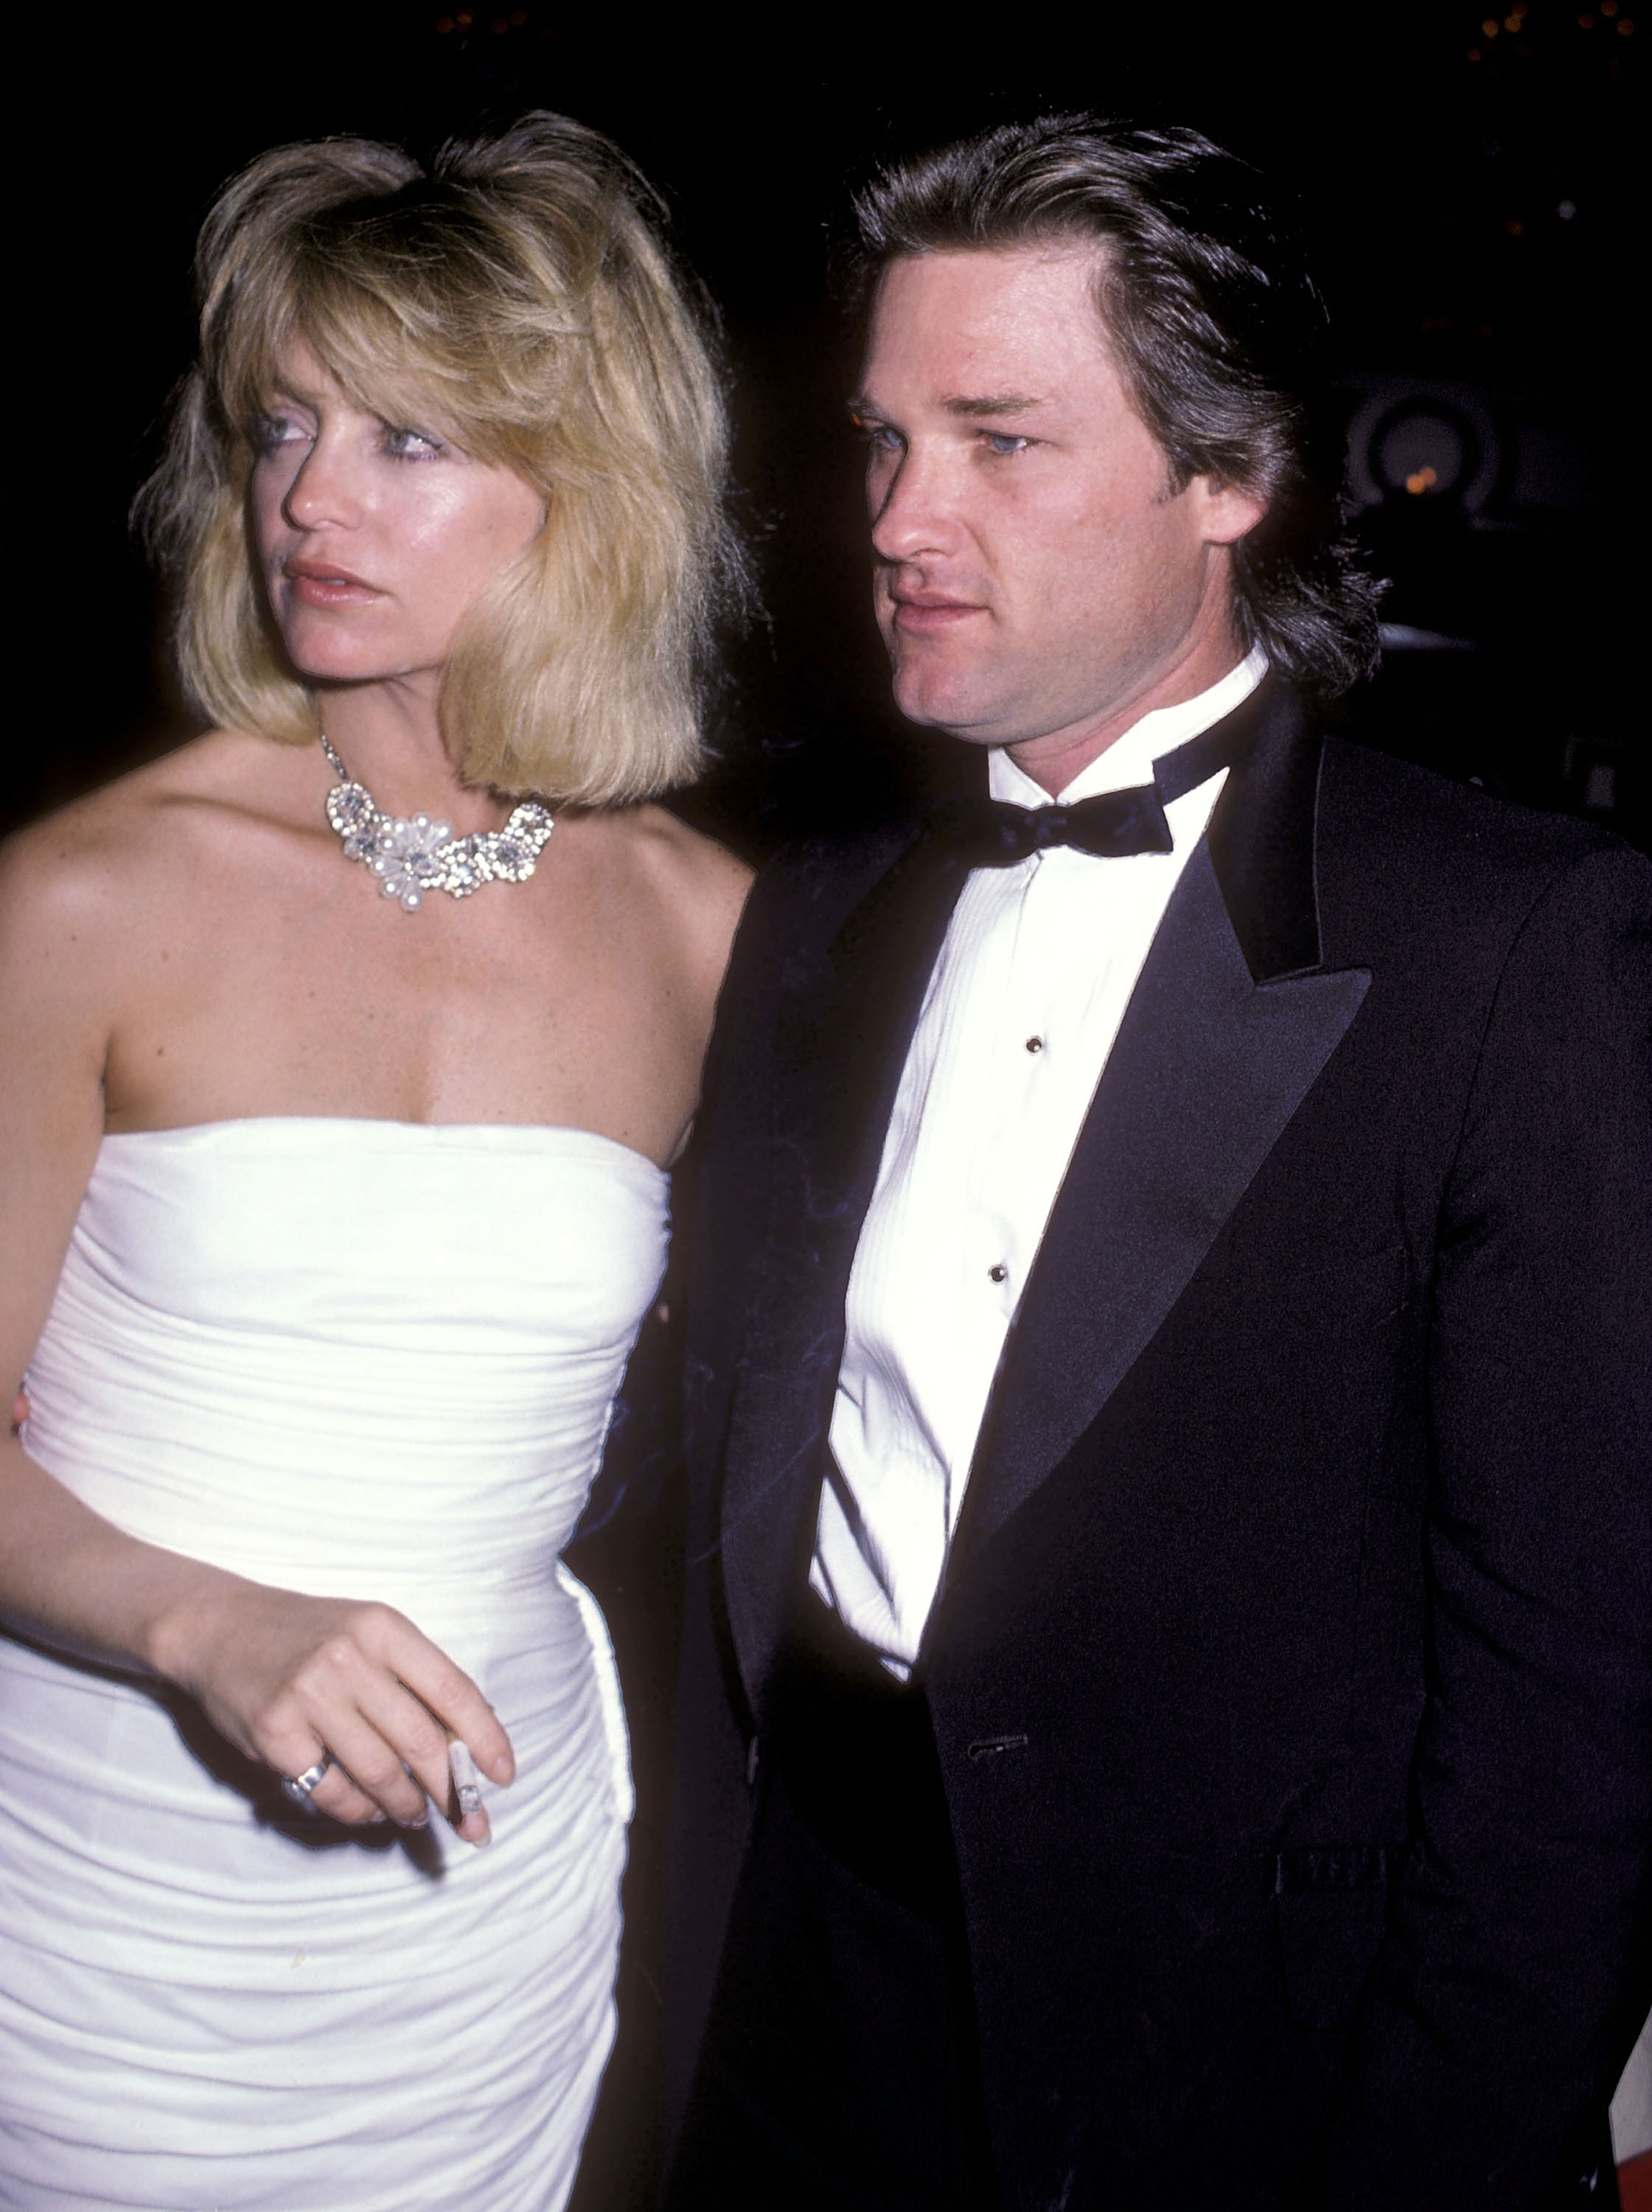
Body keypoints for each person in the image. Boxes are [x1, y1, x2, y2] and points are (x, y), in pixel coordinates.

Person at [649, 118, 1652, 2209]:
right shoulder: (812, 910)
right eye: (880, 438)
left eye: (996, 440)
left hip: (1213, 2071)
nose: (898, 518)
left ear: (1229, 478)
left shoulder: (1514, 948)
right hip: (779, 1996)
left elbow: (1566, 1721)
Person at [0, 114, 749, 2210]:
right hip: (98, 1911)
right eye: (280, 428)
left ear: (582, 491)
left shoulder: (709, 932)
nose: (309, 498)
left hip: (477, 1916)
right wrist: (203, 1625)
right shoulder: (88, 898)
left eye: (409, 441)